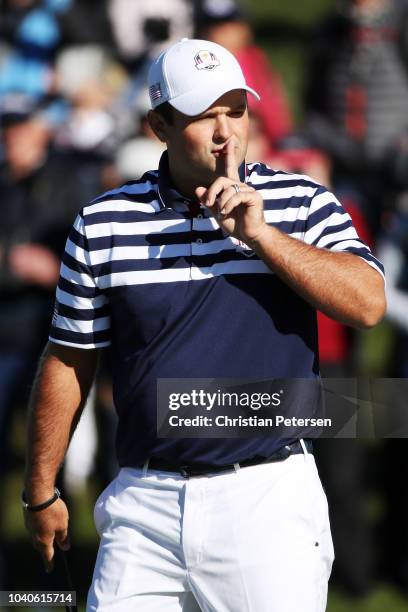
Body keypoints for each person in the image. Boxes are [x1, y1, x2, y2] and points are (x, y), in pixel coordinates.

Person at [23, 38, 386, 611]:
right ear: (158, 126)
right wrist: (40, 491)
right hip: (142, 501)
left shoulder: (301, 202)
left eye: (235, 110)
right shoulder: (103, 223)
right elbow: (70, 357)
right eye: (203, 116)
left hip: (266, 499)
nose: (226, 133)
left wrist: (264, 238)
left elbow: (368, 304)